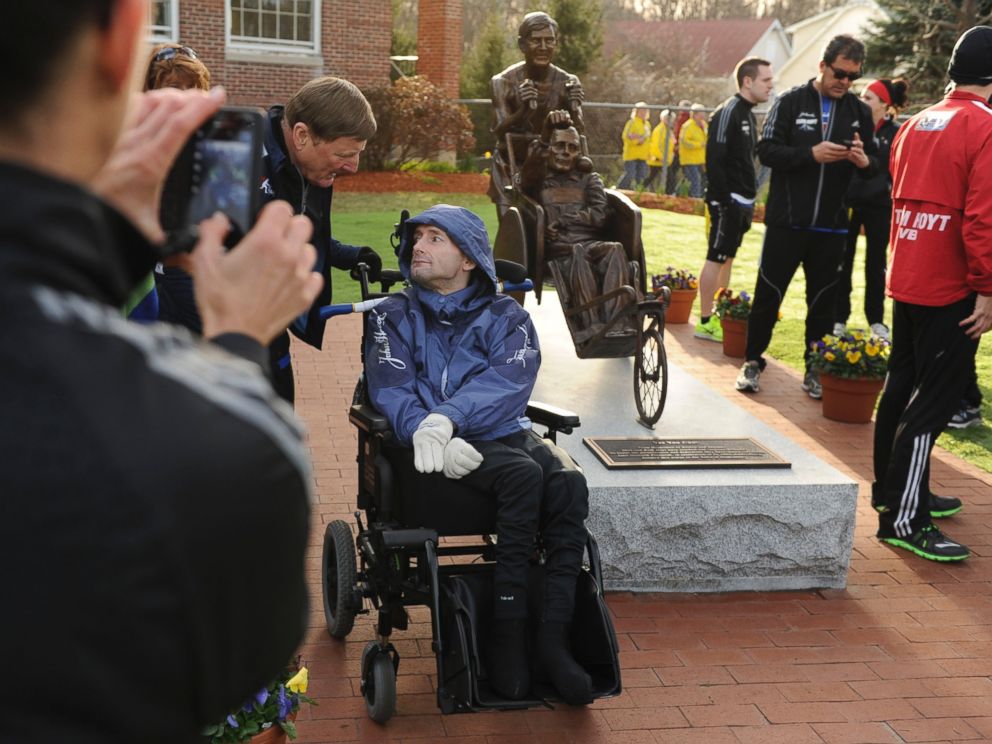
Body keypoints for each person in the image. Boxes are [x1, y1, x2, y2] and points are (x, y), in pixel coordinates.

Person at [0, 1, 323, 741]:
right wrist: (240, 340)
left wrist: (101, 238)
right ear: (120, 45)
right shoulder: (199, 448)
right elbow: (247, 651)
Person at [364, 204, 593, 706]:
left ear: (468, 258)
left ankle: (553, 640)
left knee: (568, 482)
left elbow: (508, 382)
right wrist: (429, 429)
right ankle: (507, 636)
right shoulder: (391, 316)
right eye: (416, 237)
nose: (417, 247)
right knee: (520, 476)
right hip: (421, 450)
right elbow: (391, 387)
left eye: (434, 238)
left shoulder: (506, 316)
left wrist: (449, 418)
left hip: (496, 431)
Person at [872, 26, 992, 562]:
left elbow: (900, 198)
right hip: (951, 284)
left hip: (910, 274)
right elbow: (983, 220)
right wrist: (988, 289)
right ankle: (904, 518)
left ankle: (894, 492)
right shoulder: (984, 126)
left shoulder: (917, 121)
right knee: (934, 402)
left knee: (901, 388)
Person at [735, 34, 878, 397]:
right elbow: (766, 150)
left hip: (831, 227)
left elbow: (877, 166)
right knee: (769, 294)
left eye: (852, 78)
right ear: (823, 66)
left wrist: (864, 162)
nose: (844, 83)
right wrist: (809, 155)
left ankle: (814, 369)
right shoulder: (790, 101)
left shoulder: (859, 111)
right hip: (787, 221)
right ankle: (752, 361)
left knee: (822, 303)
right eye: (840, 74)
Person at [261, 76, 382, 404]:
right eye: (345, 154)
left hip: (270, 330)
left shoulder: (309, 165)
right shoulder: (241, 162)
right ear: (301, 135)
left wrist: (345, 254)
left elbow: (301, 232)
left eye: (358, 154)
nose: (353, 167)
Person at [520, 110, 638, 340]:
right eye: (559, 146)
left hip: (590, 241)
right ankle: (590, 323)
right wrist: (543, 138)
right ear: (549, 149)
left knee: (614, 249)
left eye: (572, 147)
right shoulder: (540, 179)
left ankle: (617, 321)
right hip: (560, 249)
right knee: (578, 252)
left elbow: (599, 214)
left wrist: (565, 220)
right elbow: (525, 182)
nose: (566, 152)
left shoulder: (590, 180)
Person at [694, 58, 774, 343]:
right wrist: (724, 200)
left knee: (728, 258)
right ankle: (704, 322)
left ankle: (718, 312)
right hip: (724, 202)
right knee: (715, 257)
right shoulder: (727, 111)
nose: (771, 85)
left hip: (743, 201)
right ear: (748, 81)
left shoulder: (749, 114)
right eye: (766, 80)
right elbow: (713, 160)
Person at [144, 42, 213, 334]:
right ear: (149, 90)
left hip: (199, 263)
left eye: (192, 87)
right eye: (173, 86)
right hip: (158, 271)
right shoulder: (138, 139)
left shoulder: (207, 138)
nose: (184, 97)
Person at [833, 78, 909, 341]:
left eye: (869, 98)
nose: (862, 101)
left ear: (885, 105)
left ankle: (876, 320)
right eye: (862, 96)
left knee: (876, 265)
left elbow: (894, 168)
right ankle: (838, 318)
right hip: (849, 202)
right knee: (842, 261)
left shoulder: (896, 131)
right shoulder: (852, 126)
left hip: (879, 205)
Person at [489, 12, 584, 216]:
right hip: (511, 166)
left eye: (549, 41)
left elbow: (580, 133)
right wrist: (524, 110)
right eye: (536, 41)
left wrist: (573, 108)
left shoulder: (567, 82)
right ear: (522, 45)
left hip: (552, 168)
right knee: (513, 230)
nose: (543, 47)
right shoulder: (503, 82)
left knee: (555, 228)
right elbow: (499, 130)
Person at [617, 102, 651, 189]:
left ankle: (639, 194)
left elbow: (648, 140)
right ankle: (619, 189)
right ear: (636, 112)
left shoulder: (647, 124)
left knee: (641, 177)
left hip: (643, 155)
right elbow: (625, 137)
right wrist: (637, 141)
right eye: (641, 111)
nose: (643, 113)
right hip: (631, 155)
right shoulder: (631, 123)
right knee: (630, 174)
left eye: (645, 111)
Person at [679, 103, 709, 198]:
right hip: (689, 160)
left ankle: (697, 197)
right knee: (695, 180)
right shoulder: (687, 126)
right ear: (695, 115)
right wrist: (699, 144)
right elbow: (685, 142)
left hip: (701, 159)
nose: (703, 115)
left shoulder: (704, 125)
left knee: (703, 180)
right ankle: (695, 199)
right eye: (701, 113)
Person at [643, 108, 675, 192]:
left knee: (667, 178)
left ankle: (668, 194)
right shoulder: (659, 130)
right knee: (652, 177)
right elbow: (656, 145)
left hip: (665, 160)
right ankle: (640, 190)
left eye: (671, 119)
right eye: (668, 119)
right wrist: (661, 157)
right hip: (658, 160)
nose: (670, 121)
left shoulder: (668, 130)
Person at [667, 100, 692, 194]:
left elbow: (679, 133)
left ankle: (673, 191)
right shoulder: (683, 118)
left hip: (681, 150)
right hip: (681, 150)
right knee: (682, 172)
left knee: (678, 171)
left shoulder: (683, 119)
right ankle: (674, 191)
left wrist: (677, 144)